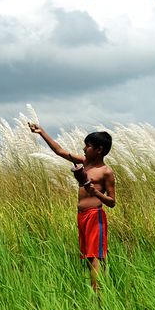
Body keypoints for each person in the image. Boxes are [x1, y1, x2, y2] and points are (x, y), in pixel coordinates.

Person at [28, 123, 115, 292]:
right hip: (82, 215)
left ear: (99, 149)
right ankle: (97, 292)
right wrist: (41, 132)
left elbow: (112, 202)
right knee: (89, 257)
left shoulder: (106, 172)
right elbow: (60, 151)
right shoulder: (85, 163)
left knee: (96, 256)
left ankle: (99, 297)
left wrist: (95, 192)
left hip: (94, 216)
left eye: (88, 146)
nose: (84, 148)